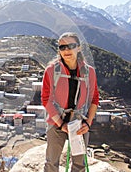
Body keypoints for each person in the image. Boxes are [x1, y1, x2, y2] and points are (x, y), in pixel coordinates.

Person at [41, 32, 99, 172]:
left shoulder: (89, 72)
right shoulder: (51, 70)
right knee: (51, 163)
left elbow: (94, 99)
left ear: (78, 48)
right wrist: (61, 124)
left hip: (79, 122)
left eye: (70, 46)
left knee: (79, 165)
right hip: (56, 121)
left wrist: (88, 123)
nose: (66, 50)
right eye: (62, 47)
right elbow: (46, 100)